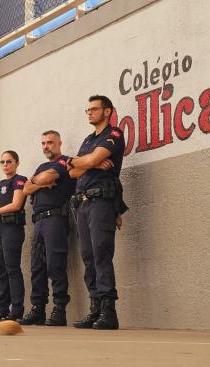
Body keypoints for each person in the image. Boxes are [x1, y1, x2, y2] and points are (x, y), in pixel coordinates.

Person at [67, 95, 128, 330]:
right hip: (82, 203)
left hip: (101, 201)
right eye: (87, 109)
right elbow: (72, 174)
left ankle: (108, 311)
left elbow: (89, 161)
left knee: (102, 254)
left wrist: (84, 162)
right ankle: (94, 308)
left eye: (94, 109)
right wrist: (87, 162)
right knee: (88, 256)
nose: (89, 113)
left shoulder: (113, 134)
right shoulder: (88, 139)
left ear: (107, 111)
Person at [18, 130, 76, 326]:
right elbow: (26, 189)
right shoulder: (43, 166)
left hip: (55, 218)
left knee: (55, 265)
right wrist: (41, 182)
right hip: (39, 221)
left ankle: (59, 309)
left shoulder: (65, 162)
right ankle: (38, 309)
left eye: (50, 142)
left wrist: (39, 182)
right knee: (37, 268)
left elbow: (39, 181)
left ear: (59, 142)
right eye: (43, 143)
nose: (46, 146)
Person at [0, 151, 28, 323]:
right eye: (2, 162)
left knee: (12, 268)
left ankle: (16, 310)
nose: (5, 165)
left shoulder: (19, 179)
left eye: (9, 161)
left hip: (12, 228)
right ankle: (2, 309)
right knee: (1, 271)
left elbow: (16, 204)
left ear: (16, 162)